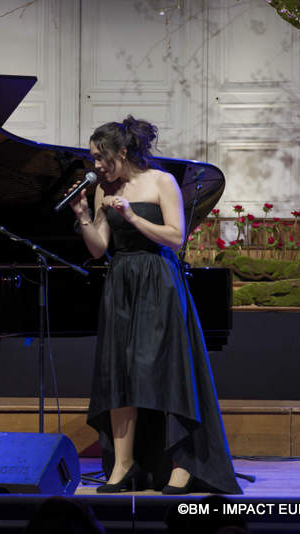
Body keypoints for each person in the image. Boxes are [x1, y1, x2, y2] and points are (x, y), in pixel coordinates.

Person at [68, 116, 241, 495]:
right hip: (121, 281)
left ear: (122, 152)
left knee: (165, 371)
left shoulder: (162, 182)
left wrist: (131, 215)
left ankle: (182, 465)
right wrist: (84, 217)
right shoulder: (103, 190)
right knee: (120, 373)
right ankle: (123, 464)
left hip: (158, 281)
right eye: (93, 157)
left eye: (100, 156)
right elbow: (98, 248)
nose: (95, 164)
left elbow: (176, 237)